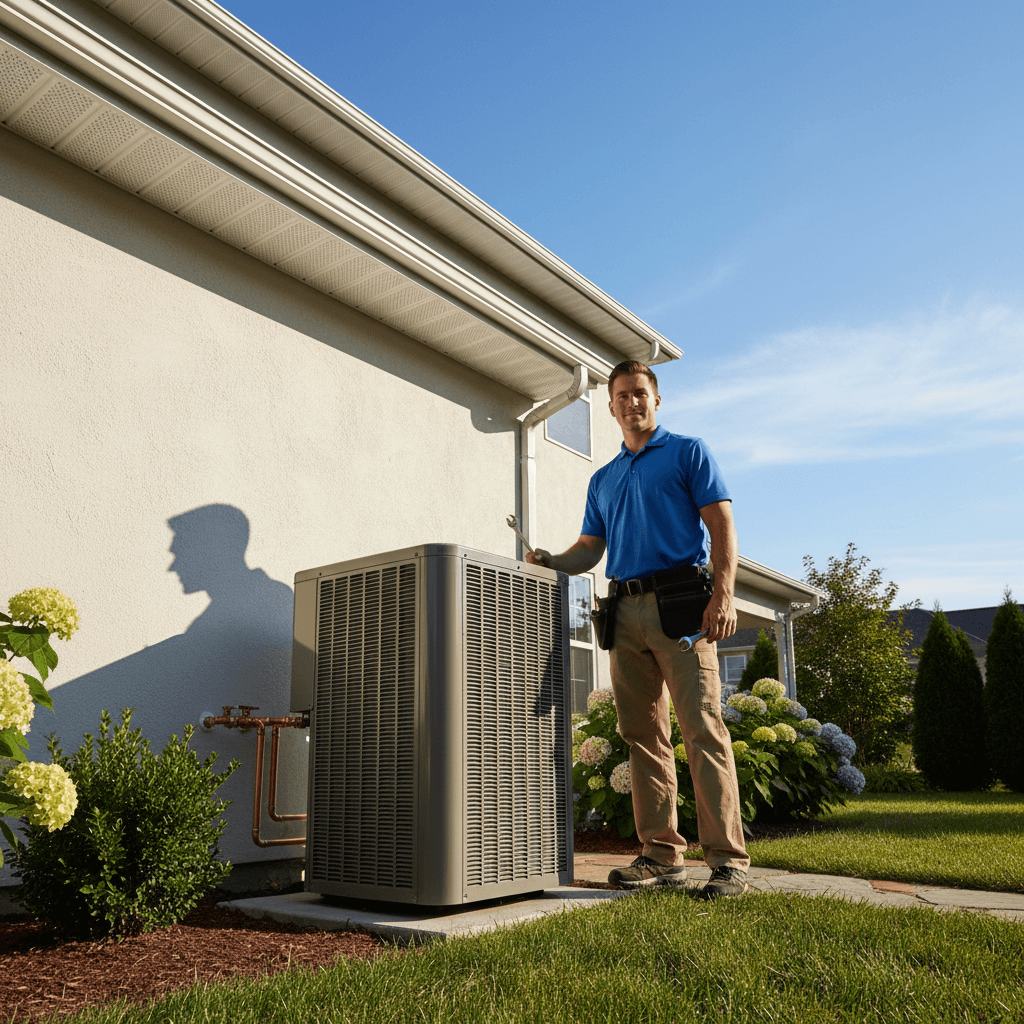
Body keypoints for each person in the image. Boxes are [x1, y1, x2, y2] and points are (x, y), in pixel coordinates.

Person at [527, 360, 750, 899]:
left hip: (682, 606)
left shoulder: (688, 452)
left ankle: (728, 862)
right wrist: (551, 561)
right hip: (623, 613)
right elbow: (590, 549)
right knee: (642, 736)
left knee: (702, 729)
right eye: (623, 395)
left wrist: (723, 595)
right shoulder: (602, 479)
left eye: (641, 393)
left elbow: (721, 524)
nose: (632, 402)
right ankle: (661, 856)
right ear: (610, 407)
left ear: (657, 399)